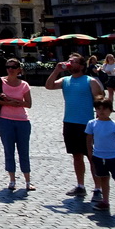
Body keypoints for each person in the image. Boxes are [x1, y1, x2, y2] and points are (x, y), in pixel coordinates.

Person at [46, 53, 105, 199]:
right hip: (70, 123)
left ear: (81, 65)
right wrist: (56, 71)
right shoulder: (66, 80)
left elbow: (101, 100)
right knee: (76, 156)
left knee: (92, 157)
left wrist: (100, 122)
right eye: (69, 60)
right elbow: (49, 86)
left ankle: (98, 188)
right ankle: (81, 186)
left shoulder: (90, 81)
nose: (70, 63)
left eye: (73, 61)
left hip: (87, 124)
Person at [0, 59, 34, 192]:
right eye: (8, 67)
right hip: (5, 120)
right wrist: (8, 103)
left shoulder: (24, 85)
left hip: (22, 121)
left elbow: (28, 104)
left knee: (24, 151)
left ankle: (27, 181)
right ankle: (12, 180)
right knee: (9, 151)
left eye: (13, 67)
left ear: (19, 69)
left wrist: (12, 100)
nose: (10, 69)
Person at [85, 99, 115, 213]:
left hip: (113, 157)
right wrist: (90, 153)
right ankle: (105, 201)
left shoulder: (114, 125)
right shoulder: (92, 123)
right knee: (103, 179)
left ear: (110, 110)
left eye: (104, 109)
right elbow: (89, 140)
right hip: (98, 156)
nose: (101, 111)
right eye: (99, 109)